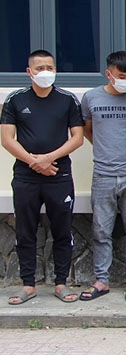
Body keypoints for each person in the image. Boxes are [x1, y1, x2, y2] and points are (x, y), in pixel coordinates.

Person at [2, 50, 84, 304]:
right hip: (26, 177)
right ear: (29, 72)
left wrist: (48, 159)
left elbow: (78, 138)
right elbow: (6, 139)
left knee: (61, 230)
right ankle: (28, 284)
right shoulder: (15, 100)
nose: (45, 72)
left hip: (59, 175)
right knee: (25, 231)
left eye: (49, 67)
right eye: (39, 68)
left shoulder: (67, 100)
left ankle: (61, 282)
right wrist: (35, 162)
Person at [79, 51, 126, 302]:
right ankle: (101, 280)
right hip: (103, 176)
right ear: (108, 74)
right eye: (121, 76)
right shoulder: (91, 98)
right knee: (101, 231)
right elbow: (87, 130)